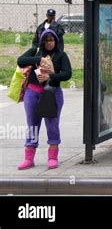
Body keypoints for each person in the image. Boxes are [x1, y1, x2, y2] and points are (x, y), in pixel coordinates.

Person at [17, 29, 72, 170]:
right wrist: (39, 59)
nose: (49, 42)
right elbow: (20, 61)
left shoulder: (61, 55)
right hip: (32, 94)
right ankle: (29, 159)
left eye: (52, 40)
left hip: (52, 94)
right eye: (46, 40)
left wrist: (50, 77)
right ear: (42, 41)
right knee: (32, 125)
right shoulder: (35, 51)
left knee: (52, 125)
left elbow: (67, 74)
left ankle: (52, 157)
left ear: (56, 41)